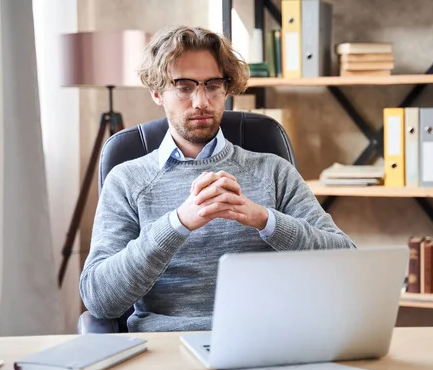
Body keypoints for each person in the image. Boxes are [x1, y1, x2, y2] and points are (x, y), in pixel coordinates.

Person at [80, 25, 356, 332]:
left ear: (226, 89)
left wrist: (267, 220)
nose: (201, 101)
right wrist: (177, 224)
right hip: (169, 349)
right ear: (157, 92)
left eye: (212, 86)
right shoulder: (128, 180)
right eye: (184, 87)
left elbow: (346, 264)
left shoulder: (272, 171)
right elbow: (100, 299)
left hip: (267, 344)